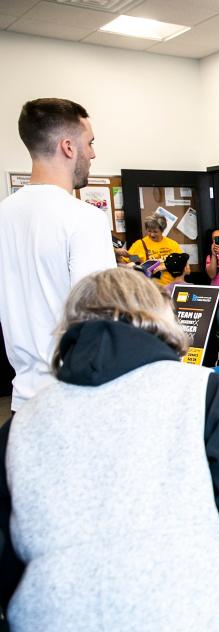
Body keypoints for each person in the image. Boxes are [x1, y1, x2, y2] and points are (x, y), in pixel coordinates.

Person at [0, 267, 219, 632]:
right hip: (200, 616)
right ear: (160, 315)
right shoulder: (199, 391)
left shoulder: (22, 426)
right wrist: (207, 568)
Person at [0, 98, 115, 415]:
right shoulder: (84, 219)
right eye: (89, 143)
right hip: (75, 400)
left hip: (24, 401)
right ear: (68, 147)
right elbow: (98, 319)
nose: (92, 153)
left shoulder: (4, 214)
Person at [127, 212, 183, 287]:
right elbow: (129, 261)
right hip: (150, 288)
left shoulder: (172, 244)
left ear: (162, 230)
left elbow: (182, 264)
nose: (152, 234)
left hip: (170, 286)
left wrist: (165, 267)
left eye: (155, 232)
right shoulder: (140, 244)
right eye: (149, 231)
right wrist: (137, 261)